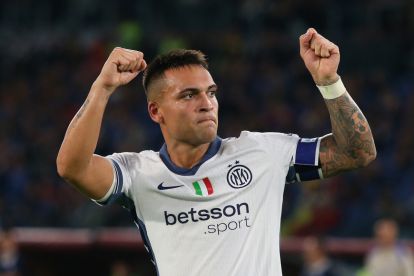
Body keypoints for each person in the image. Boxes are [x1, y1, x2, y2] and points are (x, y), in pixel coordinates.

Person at [56, 28, 376, 275]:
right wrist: (102, 88)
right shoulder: (137, 174)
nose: (206, 103)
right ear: (156, 112)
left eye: (211, 93)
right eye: (189, 95)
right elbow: (73, 167)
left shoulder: (263, 153)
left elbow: (356, 153)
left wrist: (330, 82)